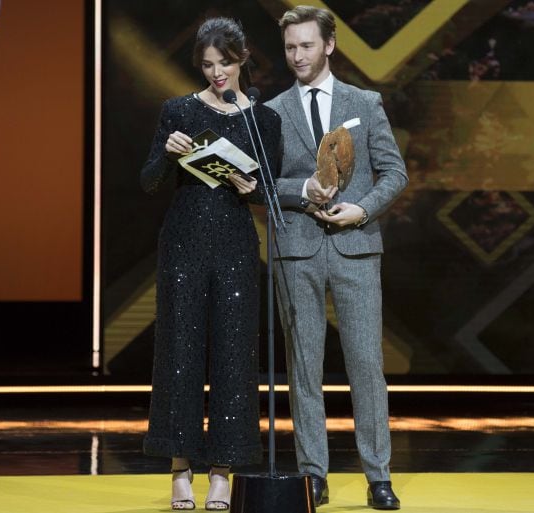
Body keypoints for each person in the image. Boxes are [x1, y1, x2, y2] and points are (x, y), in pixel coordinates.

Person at [266, 5, 407, 510]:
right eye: (290, 47)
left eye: (306, 45)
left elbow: (394, 172)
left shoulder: (364, 102)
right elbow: (259, 183)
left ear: (329, 45)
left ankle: (379, 476)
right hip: (297, 251)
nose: (297, 55)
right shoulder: (274, 110)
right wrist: (302, 188)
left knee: (366, 366)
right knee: (305, 368)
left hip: (356, 247)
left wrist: (362, 210)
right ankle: (313, 475)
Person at [140, 17, 281, 512]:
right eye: (207, 65)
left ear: (242, 59)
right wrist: (169, 153)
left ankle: (222, 470)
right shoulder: (177, 109)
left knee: (232, 357)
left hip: (236, 245)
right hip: (183, 242)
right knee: (180, 353)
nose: (216, 73)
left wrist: (252, 189)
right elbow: (149, 180)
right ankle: (180, 469)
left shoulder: (264, 120)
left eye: (224, 63)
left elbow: (272, 194)